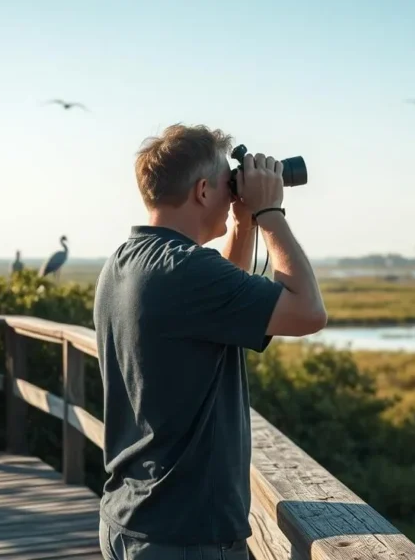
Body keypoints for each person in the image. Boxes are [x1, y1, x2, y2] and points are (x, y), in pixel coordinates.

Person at [93, 123, 328, 560]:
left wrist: (242, 224)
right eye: (227, 182)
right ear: (203, 191)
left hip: (131, 519)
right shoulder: (186, 272)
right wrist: (270, 212)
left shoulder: (125, 260)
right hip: (185, 536)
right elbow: (309, 312)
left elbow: (221, 303)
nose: (234, 192)